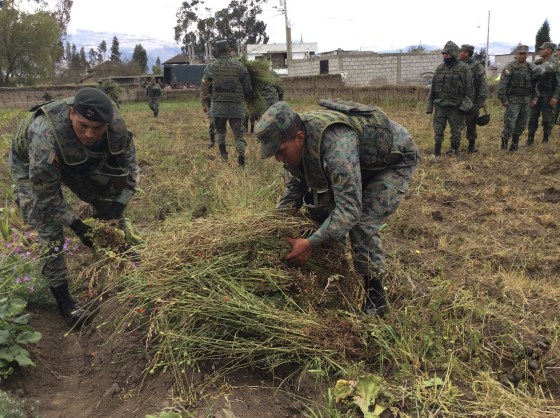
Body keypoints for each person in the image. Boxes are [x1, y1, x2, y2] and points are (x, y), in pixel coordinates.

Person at [255, 99, 419, 316]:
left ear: (300, 138)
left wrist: (311, 242)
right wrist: (274, 225)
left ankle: (376, 296)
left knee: (362, 220)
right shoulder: (298, 145)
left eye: (280, 151)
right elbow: (295, 189)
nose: (278, 159)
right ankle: (336, 273)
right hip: (358, 161)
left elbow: (349, 210)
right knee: (321, 211)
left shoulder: (336, 146)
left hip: (393, 159)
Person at [8, 88, 139, 325]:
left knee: (109, 201)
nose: (89, 134)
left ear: (107, 125)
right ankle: (65, 302)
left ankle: (127, 260)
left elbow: (131, 174)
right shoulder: (44, 135)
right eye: (83, 125)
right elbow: (46, 196)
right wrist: (78, 226)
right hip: (32, 164)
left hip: (78, 159)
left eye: (96, 128)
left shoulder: (117, 128)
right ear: (71, 114)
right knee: (48, 226)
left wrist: (116, 207)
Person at [202, 40, 252, 167]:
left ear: (217, 52)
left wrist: (206, 102)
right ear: (229, 50)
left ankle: (224, 157)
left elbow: (204, 86)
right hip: (236, 107)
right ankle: (241, 163)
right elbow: (248, 89)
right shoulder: (240, 66)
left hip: (218, 107)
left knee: (220, 132)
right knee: (239, 135)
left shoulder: (211, 67)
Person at [426, 41, 474, 156]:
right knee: (438, 130)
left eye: (447, 54)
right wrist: (429, 106)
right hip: (440, 106)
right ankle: (437, 153)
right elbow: (432, 89)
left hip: (456, 107)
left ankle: (454, 150)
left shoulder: (463, 69)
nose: (445, 56)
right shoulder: (439, 69)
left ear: (453, 54)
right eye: (443, 54)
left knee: (456, 131)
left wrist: (464, 107)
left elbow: (469, 90)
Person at [497, 45, 537, 151]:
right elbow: (502, 85)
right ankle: (503, 147)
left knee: (522, 124)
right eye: (520, 54)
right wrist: (503, 99)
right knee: (509, 124)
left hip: (526, 100)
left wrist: (535, 98)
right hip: (513, 100)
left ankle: (514, 146)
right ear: (516, 55)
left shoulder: (530, 67)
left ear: (527, 55)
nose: (522, 56)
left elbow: (535, 85)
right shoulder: (510, 67)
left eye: (524, 54)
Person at [526, 42, 560, 145]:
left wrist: (555, 97)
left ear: (549, 50)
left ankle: (545, 139)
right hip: (536, 95)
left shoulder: (555, 64)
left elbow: (559, 83)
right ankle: (530, 139)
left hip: (548, 95)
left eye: (543, 49)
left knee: (547, 119)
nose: (540, 50)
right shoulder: (538, 62)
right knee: (532, 117)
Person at [458, 44, 489, 153]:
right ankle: (455, 146)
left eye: (460, 51)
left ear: (466, 53)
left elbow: (483, 84)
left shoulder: (476, 66)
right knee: (457, 123)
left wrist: (481, 100)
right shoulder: (456, 64)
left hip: (472, 100)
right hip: (458, 100)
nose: (458, 53)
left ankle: (471, 146)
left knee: (471, 123)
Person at [200, 77, 216, 148]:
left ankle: (219, 139)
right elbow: (202, 94)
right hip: (210, 105)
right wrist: (203, 105)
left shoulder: (217, 81)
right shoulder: (205, 82)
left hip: (218, 105)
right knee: (212, 122)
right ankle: (212, 141)